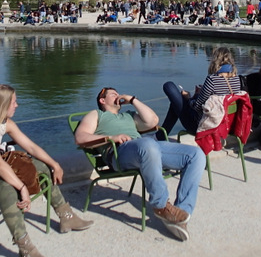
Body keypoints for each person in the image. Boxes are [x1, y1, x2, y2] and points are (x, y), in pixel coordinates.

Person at [0, 84, 91, 257]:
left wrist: (55, 164)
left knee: (42, 167)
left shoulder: (5, 123)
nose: (17, 105)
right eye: (14, 102)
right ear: (1, 105)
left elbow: (32, 147)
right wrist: (22, 188)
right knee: (7, 188)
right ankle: (25, 248)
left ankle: (66, 216)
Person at [74, 87, 205, 241]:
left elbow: (153, 121)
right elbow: (81, 137)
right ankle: (161, 206)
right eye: (112, 94)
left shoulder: (128, 115)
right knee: (147, 145)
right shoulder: (97, 114)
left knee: (196, 155)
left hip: (147, 149)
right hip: (120, 152)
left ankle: (180, 213)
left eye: (118, 92)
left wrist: (133, 100)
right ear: (102, 100)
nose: (117, 95)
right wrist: (112, 137)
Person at [160, 47, 239, 136]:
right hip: (224, 123)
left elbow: (197, 107)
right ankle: (160, 135)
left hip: (202, 126)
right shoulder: (236, 79)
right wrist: (200, 93)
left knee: (169, 86)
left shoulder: (212, 80)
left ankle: (160, 136)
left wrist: (189, 98)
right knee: (175, 103)